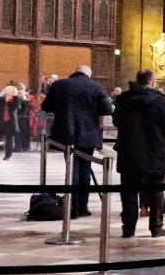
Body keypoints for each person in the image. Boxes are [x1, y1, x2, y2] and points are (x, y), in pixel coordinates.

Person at [113, 69, 165, 238]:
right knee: (157, 190)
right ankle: (156, 227)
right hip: (156, 152)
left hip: (129, 151)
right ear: (153, 82)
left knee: (129, 191)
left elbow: (116, 121)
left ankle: (128, 228)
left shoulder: (124, 100)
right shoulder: (162, 101)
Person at [42, 65, 113, 217]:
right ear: (89, 74)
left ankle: (71, 207)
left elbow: (46, 106)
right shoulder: (96, 87)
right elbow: (107, 109)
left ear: (74, 72)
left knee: (72, 167)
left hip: (66, 133)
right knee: (85, 169)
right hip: (88, 135)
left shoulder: (60, 85)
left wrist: (63, 108)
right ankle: (82, 207)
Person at [0, 86, 26, 160]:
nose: (8, 91)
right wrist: (0, 94)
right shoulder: (0, 98)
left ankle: (7, 155)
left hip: (9, 122)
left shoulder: (15, 99)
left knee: (9, 139)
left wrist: (14, 96)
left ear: (13, 92)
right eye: (7, 90)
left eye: (10, 90)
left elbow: (15, 107)